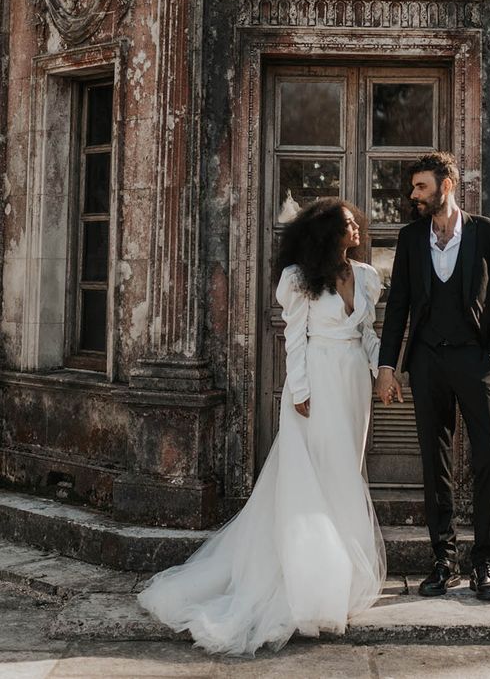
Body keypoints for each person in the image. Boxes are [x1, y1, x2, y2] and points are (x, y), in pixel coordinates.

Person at [137, 199, 386, 656]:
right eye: (348, 224)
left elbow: (366, 331)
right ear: (327, 232)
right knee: (317, 473)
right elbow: (294, 336)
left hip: (353, 383)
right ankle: (312, 579)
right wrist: (300, 391)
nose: (357, 229)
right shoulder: (298, 280)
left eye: (355, 223)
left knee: (345, 469)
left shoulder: (367, 276)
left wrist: (381, 369)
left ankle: (340, 571)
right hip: (316, 381)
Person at [375, 152, 490, 602]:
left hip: (476, 363)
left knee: (489, 457)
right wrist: (386, 366)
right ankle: (443, 559)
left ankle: (486, 564)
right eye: (413, 188)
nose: (413, 195)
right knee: (435, 464)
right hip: (428, 362)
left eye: (420, 187)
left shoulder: (486, 232)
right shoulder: (411, 237)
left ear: (446, 185)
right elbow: (397, 307)